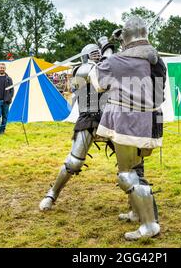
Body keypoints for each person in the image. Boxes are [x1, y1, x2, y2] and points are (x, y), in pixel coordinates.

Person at [89, 16, 166, 240]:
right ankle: (136, 212)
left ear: (126, 39)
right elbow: (159, 95)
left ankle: (149, 225)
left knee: (127, 175)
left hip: (129, 123)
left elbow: (98, 81)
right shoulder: (157, 60)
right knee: (137, 170)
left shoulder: (119, 61)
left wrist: (107, 51)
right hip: (152, 121)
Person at [39, 43, 109, 212]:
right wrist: (108, 53)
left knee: (130, 162)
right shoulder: (81, 70)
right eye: (94, 54)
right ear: (86, 56)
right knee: (74, 162)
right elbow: (96, 73)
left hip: (109, 119)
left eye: (99, 54)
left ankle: (136, 204)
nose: (97, 56)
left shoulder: (105, 68)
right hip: (89, 119)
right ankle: (52, 193)